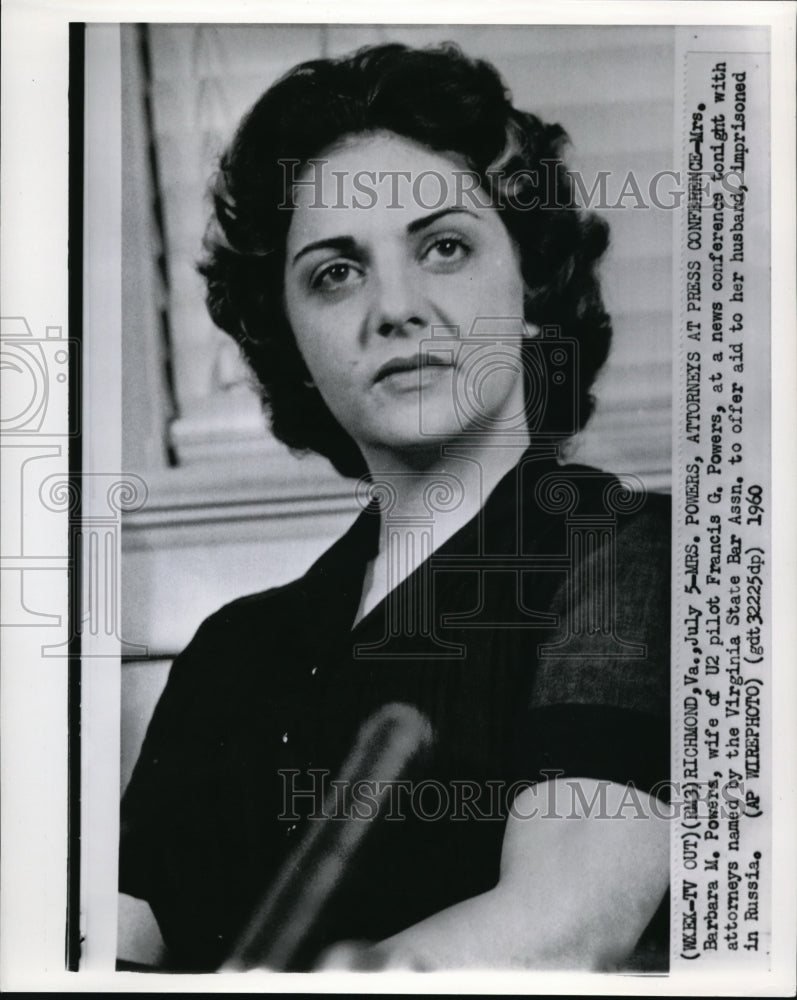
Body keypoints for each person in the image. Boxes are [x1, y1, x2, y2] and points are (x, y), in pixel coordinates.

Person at [119, 41, 671, 972]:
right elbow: (113, 953)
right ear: (290, 340)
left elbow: (572, 922)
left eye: (444, 246)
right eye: (335, 272)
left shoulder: (626, 556)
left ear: (532, 283)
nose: (395, 307)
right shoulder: (230, 653)